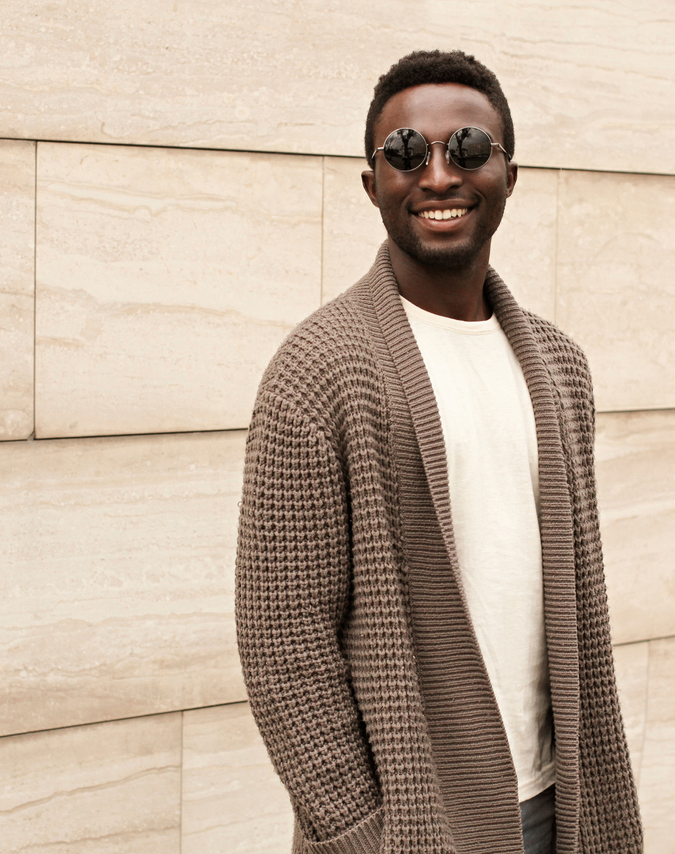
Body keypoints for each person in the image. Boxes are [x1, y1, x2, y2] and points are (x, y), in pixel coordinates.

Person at [235, 49, 642, 854]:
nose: (437, 175)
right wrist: (361, 831)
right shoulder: (318, 370)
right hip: (413, 828)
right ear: (371, 183)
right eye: (403, 153)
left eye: (465, 148)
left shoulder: (559, 368)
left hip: (559, 805)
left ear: (508, 174)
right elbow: (283, 645)